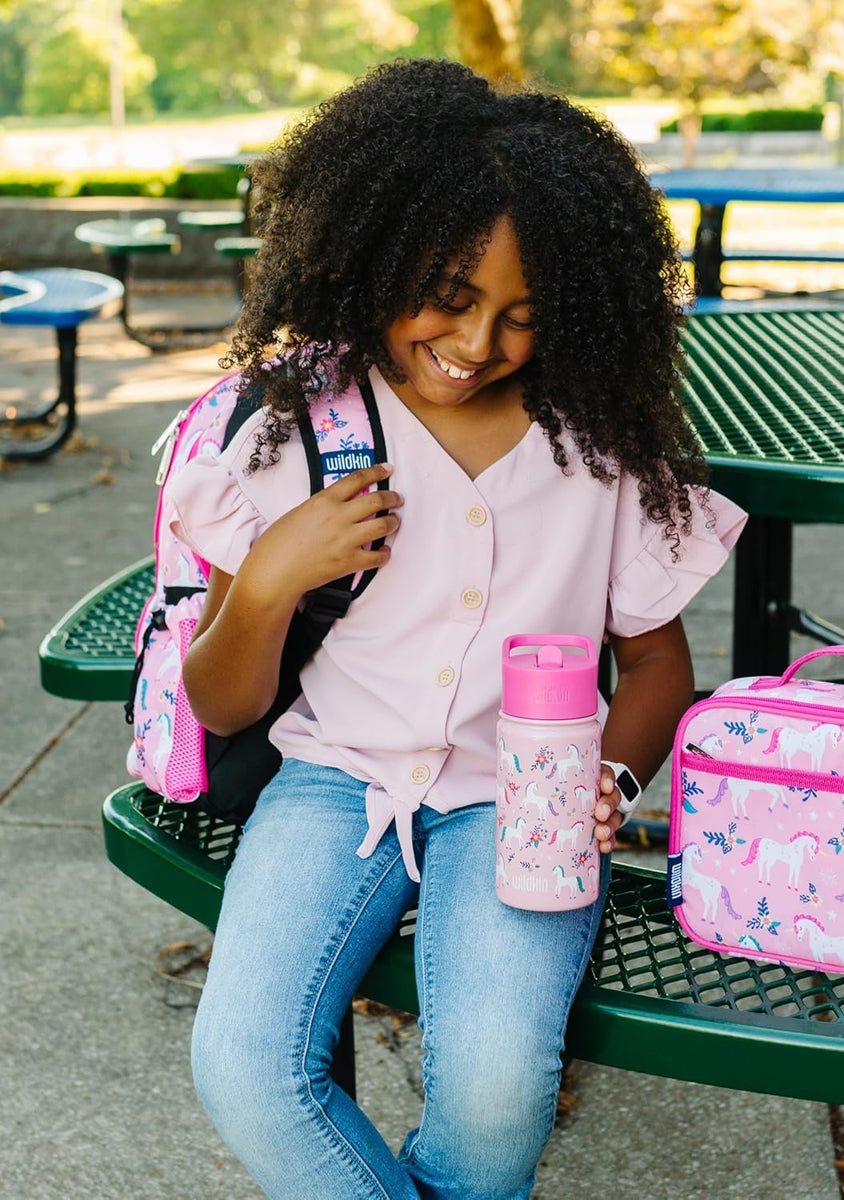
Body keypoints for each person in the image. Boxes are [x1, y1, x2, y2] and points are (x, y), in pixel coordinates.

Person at [169, 57, 747, 1200]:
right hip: (332, 780)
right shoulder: (301, 433)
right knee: (242, 1065)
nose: (478, 342)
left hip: (519, 800)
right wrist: (273, 575)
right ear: (372, 256)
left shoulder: (601, 450)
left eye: (524, 317)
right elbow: (224, 704)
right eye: (446, 294)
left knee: (495, 1089)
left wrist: (615, 779)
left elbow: (660, 665)